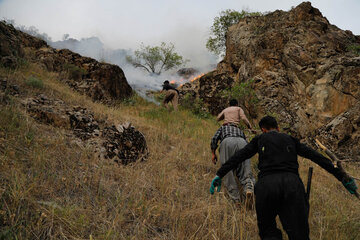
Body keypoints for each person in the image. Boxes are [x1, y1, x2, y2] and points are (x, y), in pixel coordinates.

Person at [210, 116, 358, 240]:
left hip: (266, 186)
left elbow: (238, 157)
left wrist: (219, 174)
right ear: (278, 127)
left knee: (268, 232)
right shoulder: (290, 139)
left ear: (263, 130)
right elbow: (317, 157)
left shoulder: (260, 139)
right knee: (299, 233)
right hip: (292, 184)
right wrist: (342, 177)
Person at [211, 101, 256, 205]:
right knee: (245, 167)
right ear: (237, 104)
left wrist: (213, 154)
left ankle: (236, 199)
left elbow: (214, 138)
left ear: (229, 104)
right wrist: (250, 127)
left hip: (227, 141)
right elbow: (244, 119)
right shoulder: (239, 123)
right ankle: (249, 188)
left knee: (227, 169)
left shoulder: (224, 123)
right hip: (242, 141)